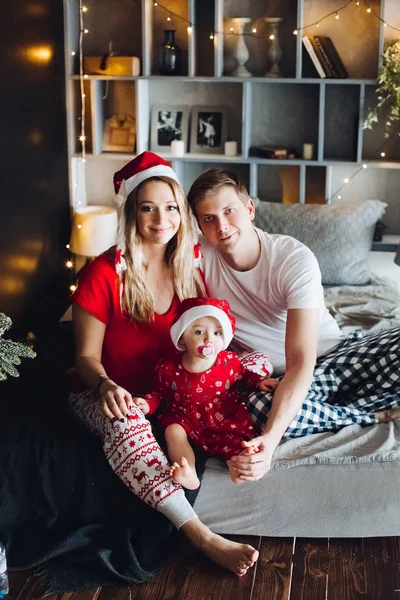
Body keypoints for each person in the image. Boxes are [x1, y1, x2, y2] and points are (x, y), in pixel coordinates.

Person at [69, 152, 259, 576]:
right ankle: (203, 537)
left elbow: (211, 340)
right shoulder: (103, 273)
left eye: (171, 207)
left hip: (169, 396)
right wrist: (105, 387)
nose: (162, 219)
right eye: (148, 208)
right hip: (104, 394)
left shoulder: (191, 271)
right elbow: (84, 358)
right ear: (132, 213)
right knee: (125, 422)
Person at [187, 168, 400, 483]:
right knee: (258, 410)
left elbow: (302, 360)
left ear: (249, 209)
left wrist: (271, 440)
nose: (222, 225)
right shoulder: (196, 259)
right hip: (273, 381)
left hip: (332, 356)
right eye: (208, 219)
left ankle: (341, 404)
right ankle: (370, 413)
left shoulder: (291, 258)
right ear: (200, 227)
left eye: (229, 211)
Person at [132, 296, 279, 489]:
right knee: (172, 431)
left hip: (221, 415)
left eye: (218, 333)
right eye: (199, 332)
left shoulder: (229, 361)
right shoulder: (168, 367)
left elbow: (244, 376)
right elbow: (158, 393)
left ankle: (237, 467)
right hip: (184, 417)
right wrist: (147, 404)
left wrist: (259, 382)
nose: (209, 339)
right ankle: (189, 471)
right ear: (182, 336)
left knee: (236, 440)